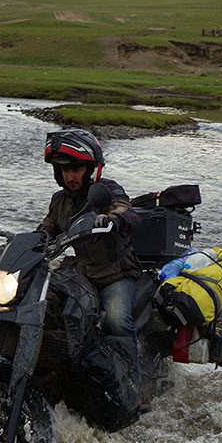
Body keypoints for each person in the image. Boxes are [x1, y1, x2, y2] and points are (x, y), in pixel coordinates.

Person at [37, 129, 142, 382]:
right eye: (64, 171)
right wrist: (25, 243)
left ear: (90, 169)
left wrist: (113, 219)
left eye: (76, 169)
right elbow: (46, 229)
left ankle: (134, 385)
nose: (70, 176)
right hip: (80, 274)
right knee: (44, 308)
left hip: (114, 274)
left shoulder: (107, 190)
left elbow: (126, 210)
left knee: (116, 321)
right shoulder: (60, 200)